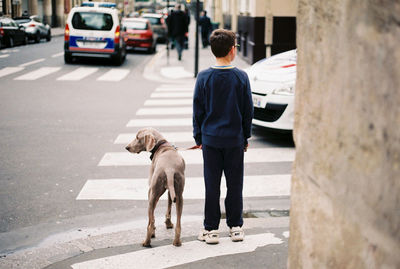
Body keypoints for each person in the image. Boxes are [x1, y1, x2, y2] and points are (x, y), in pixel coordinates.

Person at [192, 29, 253, 244]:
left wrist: (198, 138)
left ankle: (211, 229)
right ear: (232, 50)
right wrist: (245, 136)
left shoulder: (204, 77)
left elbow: (198, 109)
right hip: (234, 140)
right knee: (235, 184)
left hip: (210, 140)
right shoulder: (241, 77)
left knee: (212, 185)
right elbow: (248, 111)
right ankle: (235, 227)